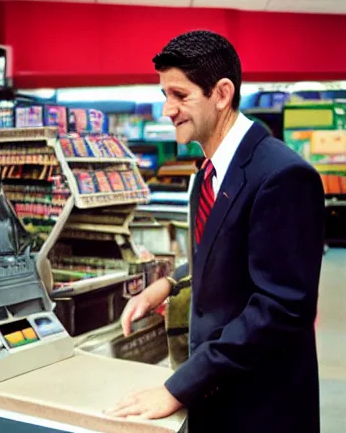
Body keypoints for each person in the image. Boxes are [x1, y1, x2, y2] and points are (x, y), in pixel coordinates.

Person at [104, 30, 324, 433]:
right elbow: (226, 248)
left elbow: (279, 308)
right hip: (220, 397)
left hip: (261, 409)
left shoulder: (283, 176)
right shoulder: (210, 170)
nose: (167, 109)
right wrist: (169, 285)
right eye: (163, 94)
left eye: (180, 95)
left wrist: (178, 387)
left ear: (222, 94)